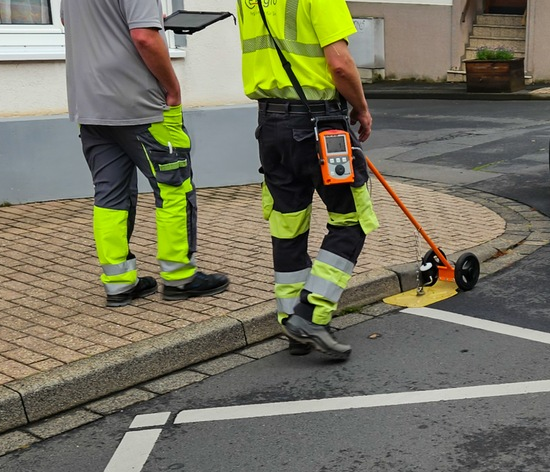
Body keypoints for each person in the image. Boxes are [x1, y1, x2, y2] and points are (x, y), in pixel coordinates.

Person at [234, 0, 380, 360]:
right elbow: (340, 64)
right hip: (319, 125)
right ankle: (312, 314)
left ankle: (292, 324)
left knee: (288, 226)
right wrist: (360, 108)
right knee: (352, 219)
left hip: (270, 126)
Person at [62, 0, 230, 308]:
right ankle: (180, 277)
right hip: (141, 106)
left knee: (109, 196)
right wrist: (173, 87)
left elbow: (71, 24)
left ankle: (119, 284)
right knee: (174, 187)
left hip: (91, 106)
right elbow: (144, 37)